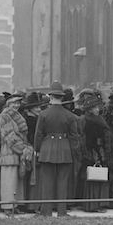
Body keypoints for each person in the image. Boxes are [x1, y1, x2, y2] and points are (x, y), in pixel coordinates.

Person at [35, 81, 78, 216]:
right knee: (63, 181)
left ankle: (46, 211)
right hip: (65, 148)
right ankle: (61, 211)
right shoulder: (69, 115)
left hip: (47, 148)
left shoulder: (43, 114)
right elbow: (74, 136)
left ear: (51, 96)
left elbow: (38, 134)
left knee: (47, 181)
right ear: (62, 97)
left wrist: (37, 149)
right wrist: (74, 151)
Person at [0, 91, 32, 213]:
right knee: (9, 180)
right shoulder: (5, 116)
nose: (16, 105)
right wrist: (23, 148)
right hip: (9, 151)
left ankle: (15, 205)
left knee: (17, 180)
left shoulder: (15, 115)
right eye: (14, 103)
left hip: (17, 151)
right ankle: (8, 207)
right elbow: (9, 136)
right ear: (8, 104)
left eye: (18, 103)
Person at [80, 96, 110, 212]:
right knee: (95, 177)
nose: (98, 109)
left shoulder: (87, 119)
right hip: (94, 152)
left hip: (91, 151)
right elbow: (91, 140)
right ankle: (94, 205)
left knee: (92, 177)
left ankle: (91, 204)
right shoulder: (93, 121)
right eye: (95, 107)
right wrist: (98, 153)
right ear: (90, 109)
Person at [21, 92, 46, 213]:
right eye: (36, 107)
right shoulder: (31, 121)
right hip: (32, 151)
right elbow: (32, 137)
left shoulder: (31, 119)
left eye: (39, 107)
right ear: (30, 108)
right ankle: (32, 205)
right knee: (33, 179)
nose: (39, 109)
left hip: (31, 150)